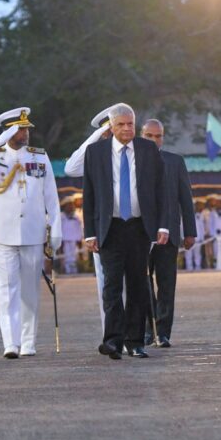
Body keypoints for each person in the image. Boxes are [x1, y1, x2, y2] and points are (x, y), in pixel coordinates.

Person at [82, 103, 169, 360]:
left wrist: (162, 225)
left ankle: (135, 341)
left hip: (139, 226)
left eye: (130, 123)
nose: (127, 129)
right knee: (111, 285)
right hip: (110, 227)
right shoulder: (95, 152)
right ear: (111, 126)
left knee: (137, 284)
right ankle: (112, 341)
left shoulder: (148, 149)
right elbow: (89, 194)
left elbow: (161, 190)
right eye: (121, 124)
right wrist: (90, 232)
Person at [0, 107, 62, 358]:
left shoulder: (39, 157)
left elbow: (51, 196)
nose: (25, 133)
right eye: (19, 129)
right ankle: (11, 343)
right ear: (8, 131)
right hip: (1, 232)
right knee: (6, 291)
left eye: (26, 129)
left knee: (29, 291)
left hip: (32, 232)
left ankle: (28, 342)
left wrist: (56, 228)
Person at [140, 118, 196, 347]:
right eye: (149, 136)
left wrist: (190, 231)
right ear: (141, 135)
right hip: (140, 233)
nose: (154, 140)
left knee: (166, 285)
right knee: (142, 283)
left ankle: (162, 332)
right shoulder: (131, 160)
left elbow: (186, 198)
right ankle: (148, 329)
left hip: (169, 233)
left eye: (158, 136)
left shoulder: (175, 161)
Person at [64, 105, 113, 331]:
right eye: (112, 128)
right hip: (104, 228)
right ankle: (111, 334)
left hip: (132, 226)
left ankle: (133, 335)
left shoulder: (135, 152)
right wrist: (97, 134)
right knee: (106, 284)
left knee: (133, 284)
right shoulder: (94, 156)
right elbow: (71, 168)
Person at [60, 198, 83, 274]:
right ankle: (67, 271)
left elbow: (79, 228)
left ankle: (75, 271)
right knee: (66, 256)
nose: (70, 207)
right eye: (68, 205)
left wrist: (79, 238)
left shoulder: (77, 216)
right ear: (64, 206)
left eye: (71, 205)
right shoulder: (61, 216)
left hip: (75, 239)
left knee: (75, 256)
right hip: (65, 240)